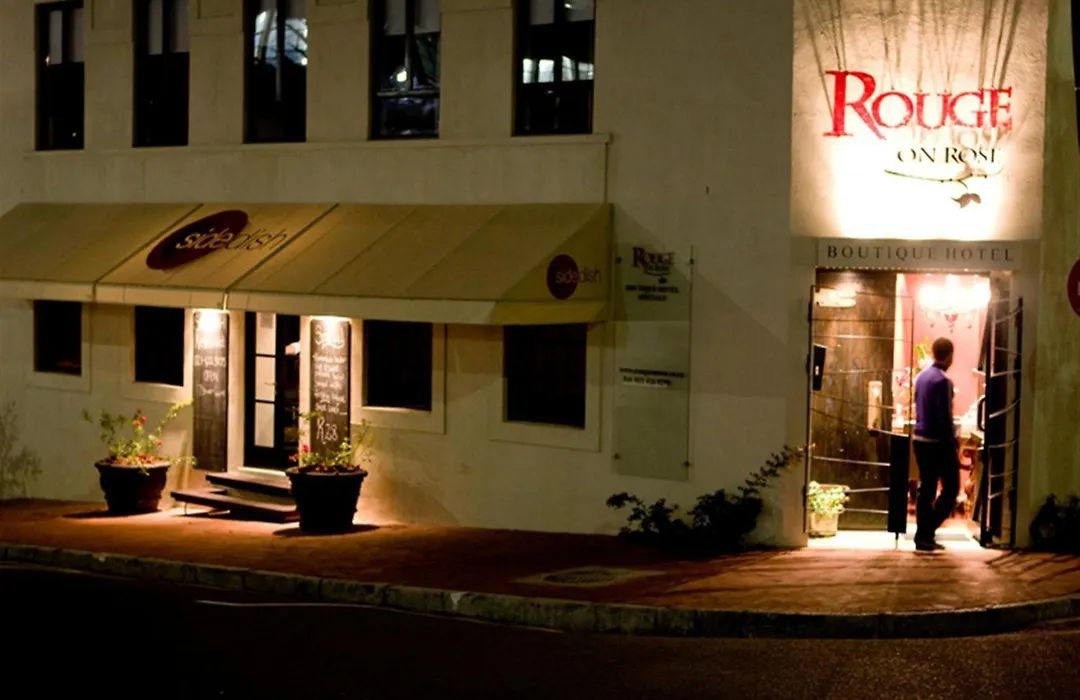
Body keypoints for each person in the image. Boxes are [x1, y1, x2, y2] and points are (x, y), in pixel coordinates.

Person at [912, 337, 961, 552]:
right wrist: (953, 441)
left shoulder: (921, 378)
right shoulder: (943, 382)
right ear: (949, 355)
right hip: (938, 442)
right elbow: (945, 417)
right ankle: (926, 531)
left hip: (920, 440)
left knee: (926, 488)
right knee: (951, 489)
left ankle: (924, 536)